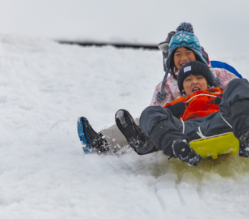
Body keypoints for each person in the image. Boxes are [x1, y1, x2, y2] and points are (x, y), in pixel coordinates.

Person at [77, 23, 239, 154]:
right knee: (142, 121)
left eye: (188, 53)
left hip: (220, 119)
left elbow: (240, 93)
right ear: (170, 60)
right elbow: (156, 114)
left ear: (197, 54)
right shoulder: (167, 86)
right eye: (177, 54)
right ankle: (101, 142)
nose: (183, 58)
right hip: (184, 128)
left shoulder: (218, 74)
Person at [116, 61, 249, 166]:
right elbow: (159, 120)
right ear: (182, 89)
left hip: (225, 122)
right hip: (185, 132)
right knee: (151, 113)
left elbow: (246, 103)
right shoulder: (177, 104)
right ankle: (159, 144)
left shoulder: (221, 95)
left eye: (199, 78)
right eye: (188, 80)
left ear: (208, 82)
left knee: (240, 85)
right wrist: (162, 118)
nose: (194, 82)